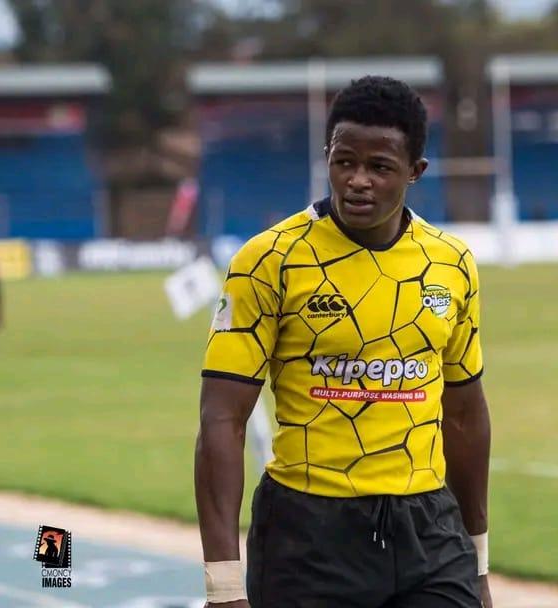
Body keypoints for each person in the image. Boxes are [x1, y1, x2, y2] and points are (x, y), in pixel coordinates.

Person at [195, 75, 492, 608]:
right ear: (326, 155)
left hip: (429, 531)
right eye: (344, 161)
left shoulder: (451, 263)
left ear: (415, 172)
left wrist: (479, 563)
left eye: (379, 167)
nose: (358, 180)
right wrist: (223, 587)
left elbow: (466, 414)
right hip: (308, 536)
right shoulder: (270, 259)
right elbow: (221, 419)